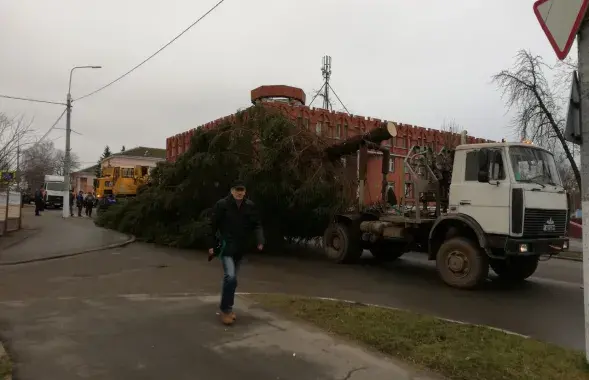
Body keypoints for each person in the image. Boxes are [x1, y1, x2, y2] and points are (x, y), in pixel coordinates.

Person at [208, 180, 264, 326]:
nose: (239, 193)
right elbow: (212, 226)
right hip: (226, 247)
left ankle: (228, 307)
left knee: (232, 280)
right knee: (230, 277)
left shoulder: (249, 206)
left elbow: (256, 224)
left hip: (240, 248)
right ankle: (226, 310)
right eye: (236, 190)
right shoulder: (222, 205)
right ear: (232, 191)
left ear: (245, 192)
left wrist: (260, 240)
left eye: (242, 190)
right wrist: (211, 245)